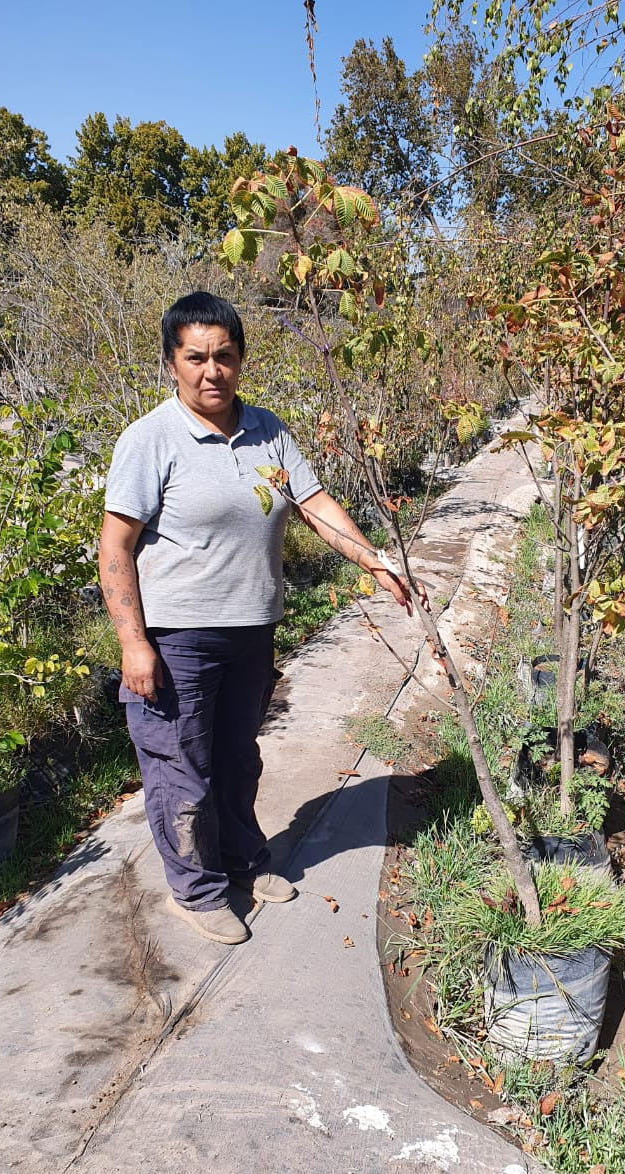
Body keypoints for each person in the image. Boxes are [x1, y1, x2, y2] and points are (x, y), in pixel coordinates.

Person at [99, 291, 425, 945]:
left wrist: (375, 561)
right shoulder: (150, 440)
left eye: (223, 356)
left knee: (236, 760)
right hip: (178, 638)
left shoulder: (268, 431)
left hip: (251, 630)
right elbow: (116, 547)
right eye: (195, 358)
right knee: (180, 770)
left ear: (241, 358)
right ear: (171, 362)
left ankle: (242, 861)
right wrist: (134, 644)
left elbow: (315, 505)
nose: (211, 371)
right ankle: (195, 891)